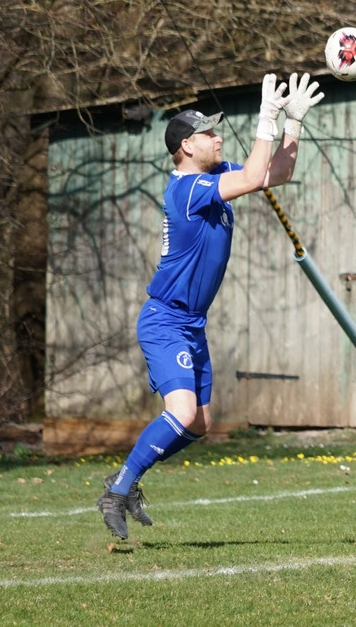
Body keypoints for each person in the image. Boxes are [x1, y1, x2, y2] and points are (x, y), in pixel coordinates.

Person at [97, 72, 324, 539]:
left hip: (191, 324)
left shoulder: (214, 176)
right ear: (186, 147)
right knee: (181, 412)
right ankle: (117, 491)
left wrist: (294, 124)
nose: (218, 138)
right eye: (208, 134)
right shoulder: (186, 190)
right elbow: (254, 176)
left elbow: (275, 174)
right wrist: (266, 117)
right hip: (165, 320)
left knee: (200, 424)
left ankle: (129, 478)